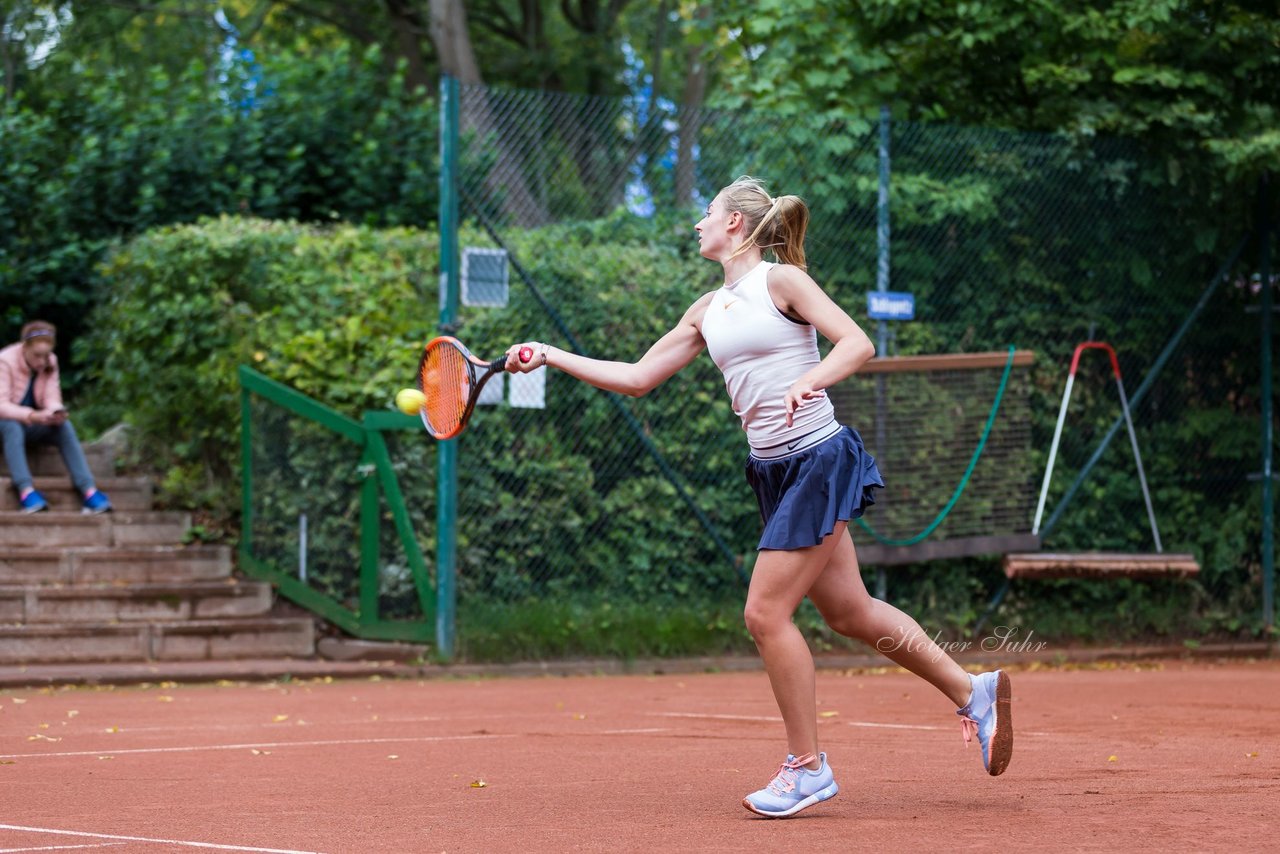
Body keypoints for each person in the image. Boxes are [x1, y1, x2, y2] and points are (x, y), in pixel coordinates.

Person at [504, 176, 1012, 818]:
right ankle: (975, 691)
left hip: (819, 459)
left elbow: (857, 342)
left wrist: (812, 379)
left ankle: (808, 768)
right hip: (772, 471)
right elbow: (637, 378)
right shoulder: (704, 310)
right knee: (850, 613)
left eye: (707, 213)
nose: (698, 224)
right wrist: (548, 355)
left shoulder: (782, 283)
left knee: (764, 615)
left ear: (737, 225)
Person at [0, 320, 112, 514]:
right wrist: (33, 415)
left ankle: (89, 491)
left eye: (46, 355)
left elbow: (52, 396)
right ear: (24, 347)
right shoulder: (5, 361)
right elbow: (1, 405)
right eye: (37, 356)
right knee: (11, 425)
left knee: (64, 426)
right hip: (7, 425)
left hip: (30, 423)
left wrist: (55, 412)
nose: (42, 362)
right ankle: (26, 491)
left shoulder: (50, 362)